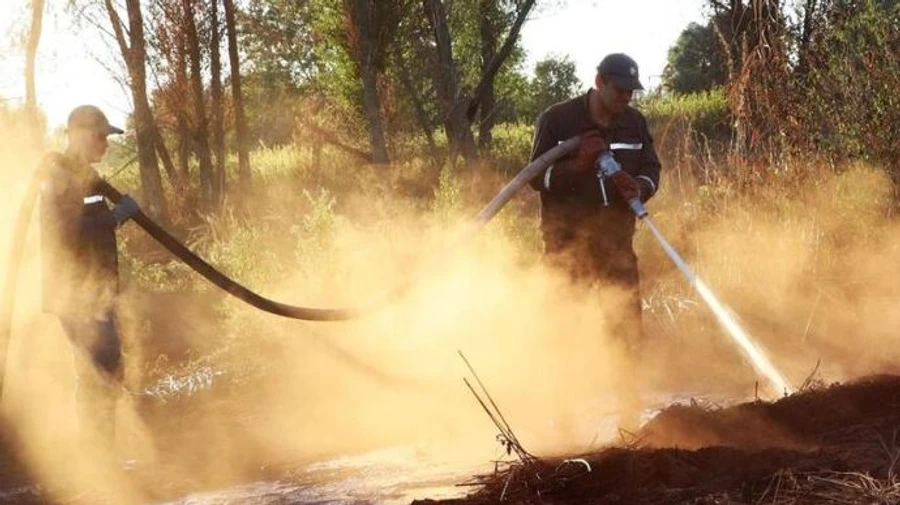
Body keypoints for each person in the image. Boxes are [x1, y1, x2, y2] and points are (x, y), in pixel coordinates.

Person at [528, 53, 662, 431]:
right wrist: (578, 166)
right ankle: (563, 423)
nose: (626, 98)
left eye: (631, 92)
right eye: (620, 90)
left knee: (626, 331)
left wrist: (641, 187)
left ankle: (629, 420)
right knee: (564, 332)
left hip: (617, 245)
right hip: (566, 247)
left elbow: (651, 168)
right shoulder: (558, 120)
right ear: (600, 82)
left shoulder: (634, 123)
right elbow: (537, 178)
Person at [40, 105, 139, 449]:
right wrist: (116, 216)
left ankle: (100, 453)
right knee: (102, 368)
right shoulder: (61, 177)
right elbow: (68, 232)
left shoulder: (82, 176)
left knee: (100, 369)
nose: (106, 144)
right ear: (79, 135)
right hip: (77, 295)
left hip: (94, 292)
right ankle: (100, 453)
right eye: (100, 137)